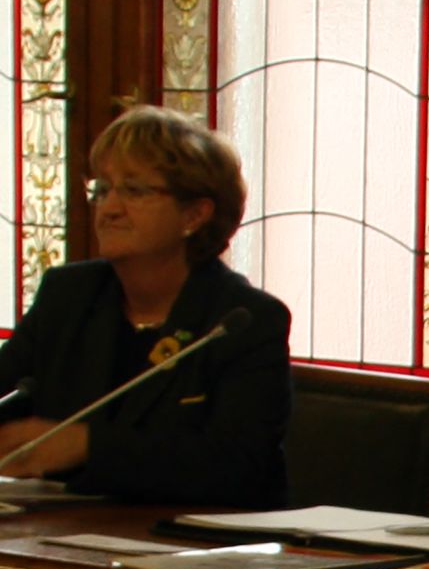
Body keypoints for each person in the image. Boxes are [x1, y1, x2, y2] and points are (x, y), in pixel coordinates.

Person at [0, 105, 290, 507]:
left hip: (188, 536)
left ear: (195, 214)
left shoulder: (241, 321)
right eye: (102, 190)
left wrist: (89, 445)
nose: (109, 208)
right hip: (67, 528)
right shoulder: (68, 295)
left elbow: (237, 465)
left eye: (134, 191)